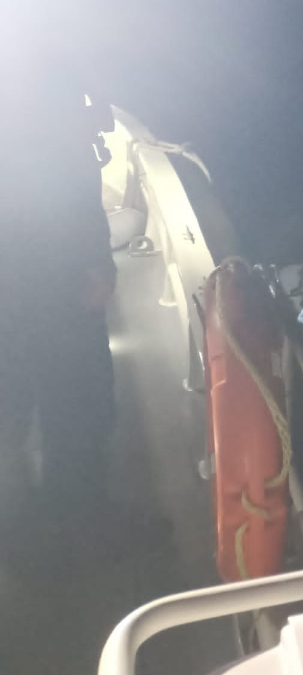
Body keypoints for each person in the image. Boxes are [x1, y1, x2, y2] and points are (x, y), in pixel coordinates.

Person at [0, 45, 118, 518]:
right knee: (79, 400)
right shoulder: (45, 92)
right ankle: (78, 521)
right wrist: (93, 264)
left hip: (23, 280)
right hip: (52, 283)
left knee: (15, 398)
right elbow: (62, 192)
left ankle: (22, 525)